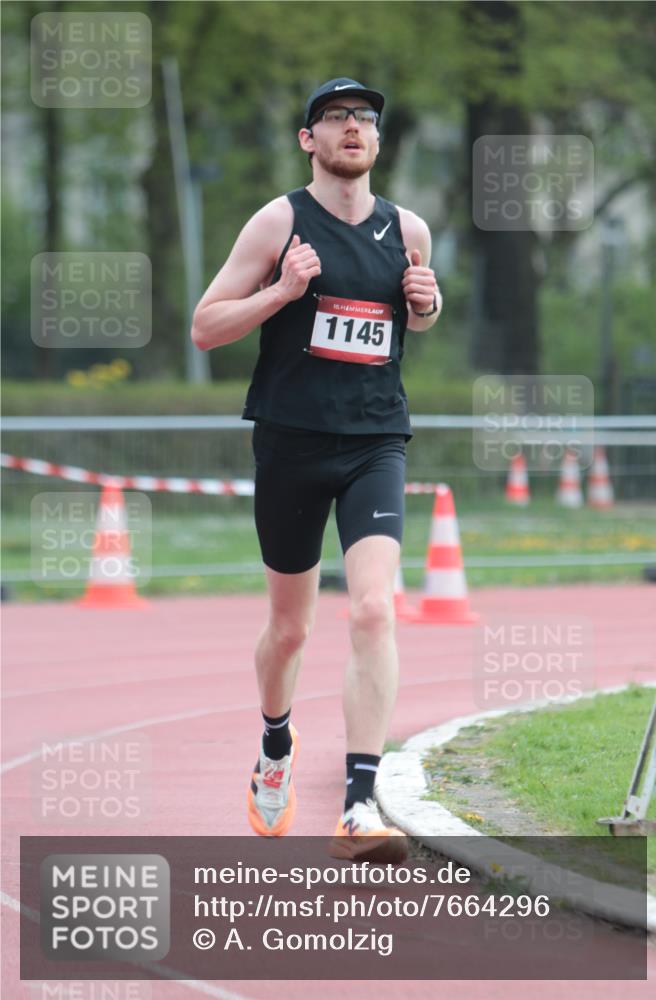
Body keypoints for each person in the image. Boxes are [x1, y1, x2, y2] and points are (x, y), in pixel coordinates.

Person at [191, 78, 441, 863]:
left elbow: (410, 319)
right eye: (335, 118)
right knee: (291, 626)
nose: (352, 128)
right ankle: (274, 743)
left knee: (372, 610)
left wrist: (427, 305)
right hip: (292, 443)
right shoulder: (279, 220)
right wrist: (282, 290)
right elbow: (204, 327)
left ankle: (359, 804)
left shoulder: (409, 230)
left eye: (364, 118)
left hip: (374, 442)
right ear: (309, 140)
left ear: (377, 139)